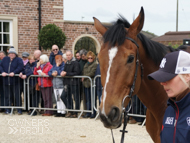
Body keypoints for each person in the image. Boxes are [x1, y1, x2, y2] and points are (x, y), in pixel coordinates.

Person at [148, 50, 190, 142]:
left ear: (187, 76)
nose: (162, 83)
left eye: (168, 77)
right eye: (161, 78)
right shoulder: (170, 109)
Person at [0, 47, 24, 115]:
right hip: (6, 81)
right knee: (7, 96)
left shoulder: (19, 60)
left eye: (13, 53)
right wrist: (2, 72)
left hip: (16, 81)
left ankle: (19, 109)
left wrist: (14, 72)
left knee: (17, 96)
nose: (12, 54)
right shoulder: (5, 59)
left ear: (15, 54)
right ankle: (8, 109)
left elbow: (20, 67)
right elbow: (0, 66)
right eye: (10, 53)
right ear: (8, 54)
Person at [60, 50, 80, 118]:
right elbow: (65, 71)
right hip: (67, 83)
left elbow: (76, 72)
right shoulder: (67, 63)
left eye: (69, 55)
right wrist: (63, 72)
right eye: (67, 55)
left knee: (76, 98)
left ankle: (76, 112)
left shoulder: (75, 63)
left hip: (74, 83)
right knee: (63, 96)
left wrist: (66, 73)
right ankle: (70, 109)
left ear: (72, 55)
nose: (68, 56)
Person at [82, 51, 97, 118]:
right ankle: (88, 112)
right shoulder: (86, 65)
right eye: (88, 58)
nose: (90, 59)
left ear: (93, 58)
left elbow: (92, 73)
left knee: (92, 99)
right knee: (88, 99)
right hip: (86, 84)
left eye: (91, 58)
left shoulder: (95, 65)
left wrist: (85, 76)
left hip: (92, 84)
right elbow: (83, 72)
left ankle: (93, 112)